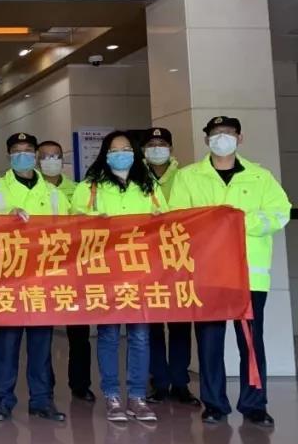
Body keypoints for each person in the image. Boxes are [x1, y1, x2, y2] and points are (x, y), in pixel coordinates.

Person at [168, 116, 291, 427]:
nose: (221, 138)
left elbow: (280, 212)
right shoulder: (188, 177)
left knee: (251, 341)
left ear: (240, 138)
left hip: (249, 275)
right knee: (209, 340)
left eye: (227, 133)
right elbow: (177, 219)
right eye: (215, 133)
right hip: (207, 272)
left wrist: (240, 222)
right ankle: (214, 404)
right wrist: (213, 224)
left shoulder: (260, 177)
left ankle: (254, 404)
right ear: (206, 139)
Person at [72, 131, 166, 423]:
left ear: (135, 153)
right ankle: (112, 395)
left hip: (141, 272)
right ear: (105, 154)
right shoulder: (90, 187)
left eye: (126, 149)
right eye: (115, 150)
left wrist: (157, 221)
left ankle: (137, 396)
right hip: (105, 273)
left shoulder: (149, 185)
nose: (121, 154)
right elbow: (72, 223)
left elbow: (167, 221)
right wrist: (92, 221)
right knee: (109, 335)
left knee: (140, 336)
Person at [0, 133, 69, 422]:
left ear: (36, 155)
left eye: (28, 150)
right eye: (17, 150)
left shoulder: (54, 194)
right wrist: (5, 215)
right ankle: (3, 399)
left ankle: (41, 399)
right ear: (9, 155)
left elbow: (68, 234)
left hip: (43, 277)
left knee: (41, 343)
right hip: (8, 276)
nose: (23, 155)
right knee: (7, 342)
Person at [142, 127, 197, 406]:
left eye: (162, 143)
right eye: (151, 143)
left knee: (179, 324)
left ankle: (180, 382)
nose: (156, 148)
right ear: (143, 150)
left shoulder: (186, 177)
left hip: (178, 259)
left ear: (171, 148)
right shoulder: (136, 178)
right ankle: (159, 381)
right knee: (151, 325)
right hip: (145, 260)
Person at [38, 139, 94, 403]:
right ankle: (44, 385)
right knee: (42, 333)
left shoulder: (77, 189)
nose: (52, 160)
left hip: (74, 269)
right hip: (41, 269)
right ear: (38, 160)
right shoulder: (34, 190)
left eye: (56, 155)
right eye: (46, 156)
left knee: (79, 332)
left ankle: (80, 384)